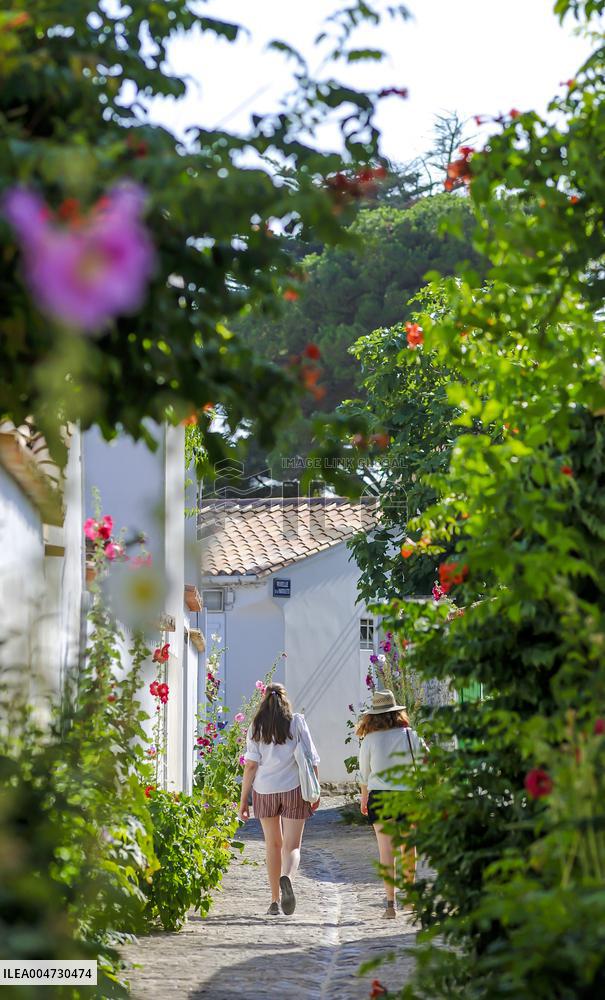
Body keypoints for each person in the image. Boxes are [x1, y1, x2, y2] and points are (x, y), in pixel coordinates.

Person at [238, 682, 321, 916]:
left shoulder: (256, 725)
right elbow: (311, 758)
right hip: (294, 788)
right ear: (286, 699)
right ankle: (288, 876)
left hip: (265, 790)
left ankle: (274, 900)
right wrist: (316, 790)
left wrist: (244, 799)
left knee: (273, 845)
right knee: (292, 846)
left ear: (264, 700)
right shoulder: (297, 721)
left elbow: (251, 765)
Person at [357, 689, 427, 919]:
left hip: (380, 797)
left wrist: (364, 799)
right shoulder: (410, 735)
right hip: (407, 795)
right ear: (396, 712)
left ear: (373, 715)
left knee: (386, 851)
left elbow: (365, 775)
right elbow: (427, 761)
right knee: (409, 849)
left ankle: (390, 904)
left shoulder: (368, 740)